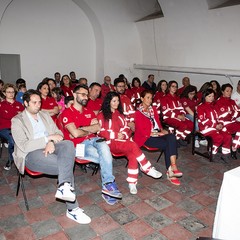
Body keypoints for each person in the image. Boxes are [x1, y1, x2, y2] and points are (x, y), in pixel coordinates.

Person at [11, 89, 91, 224]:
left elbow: (58, 133)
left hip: (50, 145)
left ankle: (64, 186)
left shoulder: (44, 115)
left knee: (68, 144)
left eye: (39, 102)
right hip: (31, 154)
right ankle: (72, 208)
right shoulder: (17, 120)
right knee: (65, 165)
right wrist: (47, 139)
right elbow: (24, 146)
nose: (38, 105)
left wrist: (51, 142)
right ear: (25, 103)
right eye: (34, 102)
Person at [59, 85, 122, 205]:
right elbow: (75, 134)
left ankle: (107, 185)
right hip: (79, 146)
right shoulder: (67, 113)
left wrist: (81, 129)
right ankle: (108, 187)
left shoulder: (88, 111)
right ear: (74, 94)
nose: (86, 97)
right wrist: (87, 130)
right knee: (106, 158)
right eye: (82, 94)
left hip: (94, 140)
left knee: (104, 147)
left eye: (86, 95)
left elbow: (98, 127)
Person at [97, 92, 162, 194]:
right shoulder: (102, 115)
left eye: (118, 101)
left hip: (123, 142)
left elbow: (127, 128)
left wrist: (123, 134)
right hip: (109, 144)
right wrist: (115, 135)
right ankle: (147, 168)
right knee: (133, 145)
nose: (117, 103)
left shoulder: (120, 114)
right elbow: (99, 131)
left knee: (133, 155)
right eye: (114, 101)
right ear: (108, 102)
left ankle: (132, 183)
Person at [134, 90, 183, 186]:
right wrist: (158, 134)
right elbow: (141, 130)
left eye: (151, 98)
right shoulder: (138, 113)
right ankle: (171, 172)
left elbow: (158, 123)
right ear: (142, 99)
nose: (150, 100)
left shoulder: (153, 109)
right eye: (147, 98)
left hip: (157, 133)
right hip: (146, 137)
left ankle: (173, 166)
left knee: (172, 137)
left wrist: (162, 130)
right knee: (168, 144)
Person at [197, 88, 232, 163]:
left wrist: (220, 124)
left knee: (228, 136)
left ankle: (225, 154)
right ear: (204, 96)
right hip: (206, 128)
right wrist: (215, 125)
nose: (211, 98)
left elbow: (220, 117)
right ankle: (212, 153)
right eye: (209, 96)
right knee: (219, 137)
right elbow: (204, 120)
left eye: (213, 96)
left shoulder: (214, 106)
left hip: (216, 127)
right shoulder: (200, 107)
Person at [0, 83, 24, 170]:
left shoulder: (19, 104)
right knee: (13, 141)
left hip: (17, 127)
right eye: (8, 92)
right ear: (4, 93)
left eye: (13, 92)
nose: (11, 94)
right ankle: (11, 160)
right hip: (5, 128)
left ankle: (24, 160)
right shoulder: (1, 105)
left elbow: (23, 116)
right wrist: (16, 115)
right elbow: (8, 116)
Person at [161, 81, 193, 145]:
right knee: (183, 125)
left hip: (179, 116)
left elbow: (181, 108)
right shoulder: (164, 98)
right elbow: (166, 111)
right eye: (173, 86)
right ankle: (175, 140)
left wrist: (183, 114)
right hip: (169, 117)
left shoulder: (177, 98)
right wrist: (177, 116)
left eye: (176, 87)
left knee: (191, 124)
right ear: (169, 88)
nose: (175, 88)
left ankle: (180, 137)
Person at [215, 83, 240, 159]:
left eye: (230, 91)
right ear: (222, 92)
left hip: (232, 122)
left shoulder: (232, 101)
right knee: (229, 134)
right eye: (227, 91)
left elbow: (238, 112)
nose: (229, 93)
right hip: (223, 124)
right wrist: (230, 114)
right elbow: (220, 116)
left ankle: (234, 147)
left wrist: (232, 114)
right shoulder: (218, 102)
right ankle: (230, 150)